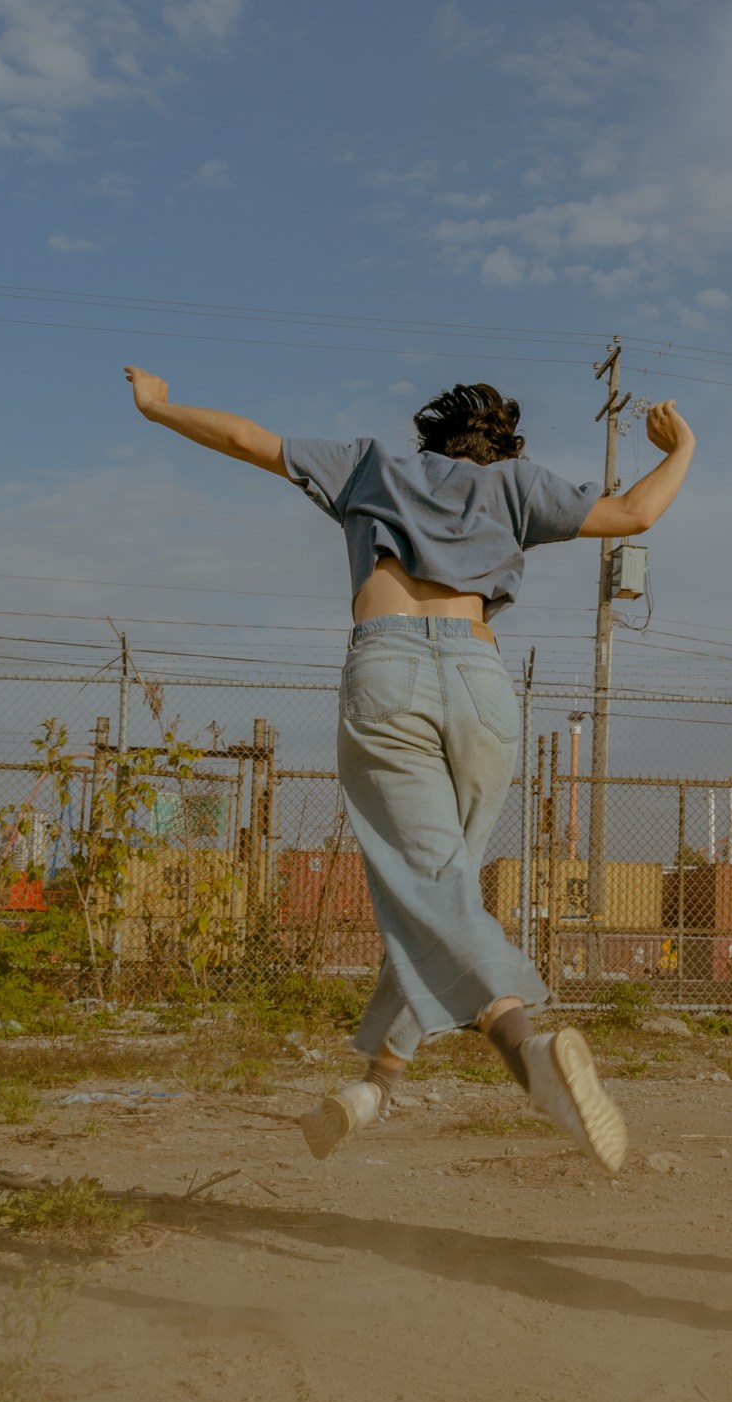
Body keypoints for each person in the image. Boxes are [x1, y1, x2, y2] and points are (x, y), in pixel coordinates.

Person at [123, 367, 696, 1173]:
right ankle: (378, 1083)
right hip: (483, 683)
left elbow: (245, 437)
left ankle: (529, 1053)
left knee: (431, 884)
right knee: (436, 885)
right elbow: (638, 511)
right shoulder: (520, 489)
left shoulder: (370, 466)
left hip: (389, 670)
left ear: (429, 437)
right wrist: (684, 447)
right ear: (502, 446)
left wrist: (157, 407)